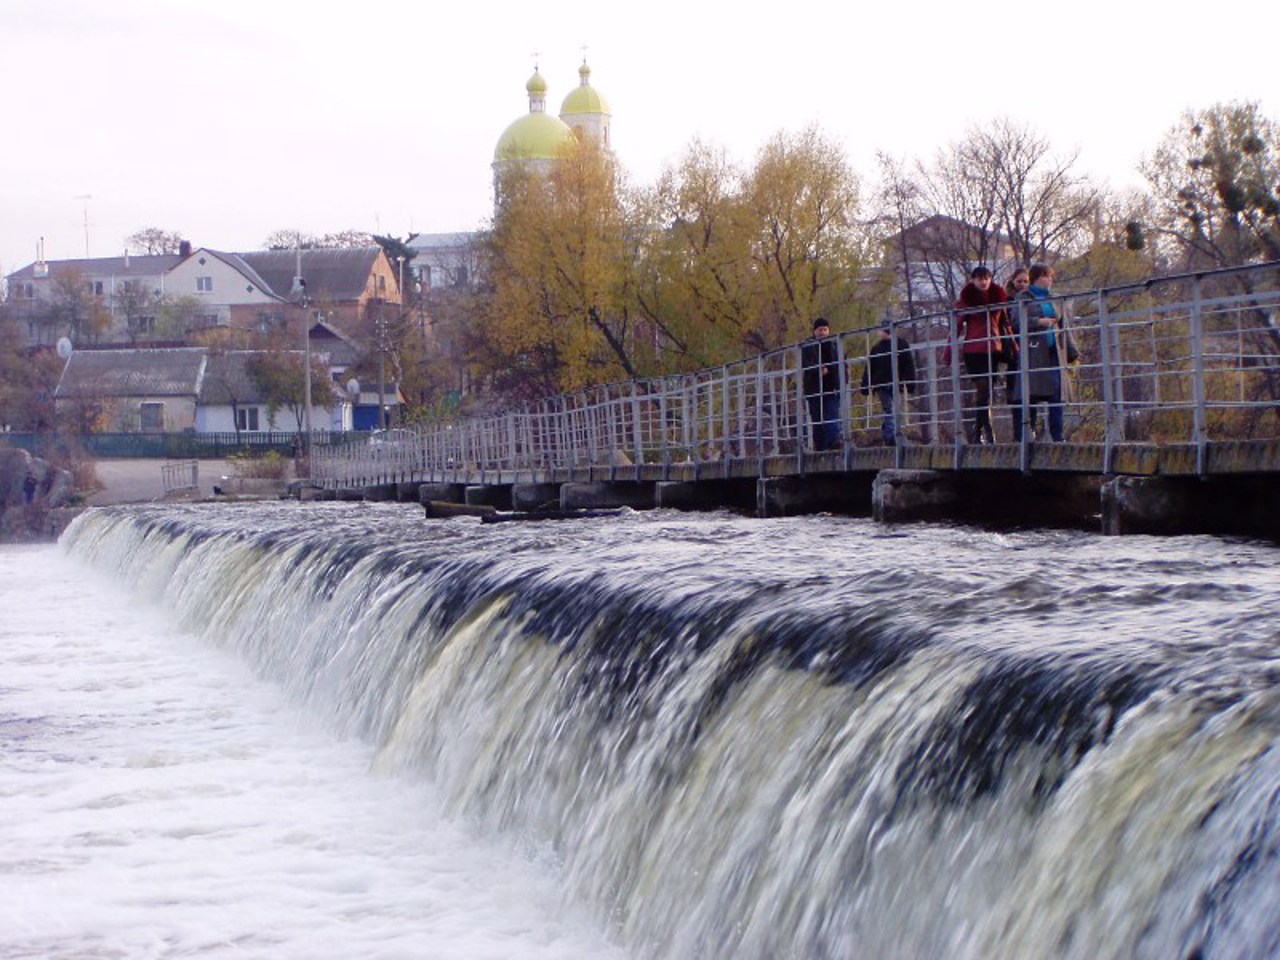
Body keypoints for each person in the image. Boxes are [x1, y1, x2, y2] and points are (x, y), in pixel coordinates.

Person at [1009, 263, 1074, 442]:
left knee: (1057, 392)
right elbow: (1016, 322)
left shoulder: (1054, 299)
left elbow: (1063, 325)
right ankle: (1026, 435)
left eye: (1050, 276)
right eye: (1046, 276)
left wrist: (1071, 350)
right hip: (1034, 353)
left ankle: (1057, 435)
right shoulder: (1024, 297)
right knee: (1031, 392)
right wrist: (1039, 321)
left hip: (1054, 351)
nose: (1050, 280)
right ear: (1037, 277)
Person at [949, 266, 1009, 444]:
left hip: (993, 350)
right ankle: (988, 432)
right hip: (974, 351)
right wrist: (948, 352)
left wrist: (1014, 346)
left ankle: (978, 432)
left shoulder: (999, 298)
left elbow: (1006, 325)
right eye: (979, 278)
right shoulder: (966, 300)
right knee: (983, 389)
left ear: (991, 279)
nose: (983, 282)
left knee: (986, 393)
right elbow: (956, 327)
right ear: (973, 280)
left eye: (986, 278)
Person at [859, 320, 918, 445]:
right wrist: (865, 385)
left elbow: (908, 364)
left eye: (880, 330)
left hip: (894, 383)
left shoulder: (897, 345)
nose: (879, 333)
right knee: (891, 409)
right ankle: (891, 436)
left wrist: (910, 382)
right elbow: (870, 368)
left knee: (891, 409)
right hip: (883, 385)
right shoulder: (882, 347)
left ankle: (889, 434)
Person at [801, 317, 841, 450]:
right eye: (820, 330)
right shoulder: (808, 346)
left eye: (825, 329)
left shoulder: (834, 344)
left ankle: (833, 442)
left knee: (832, 414)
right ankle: (820, 447)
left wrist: (842, 380)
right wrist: (817, 369)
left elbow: (841, 363)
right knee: (817, 419)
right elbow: (805, 364)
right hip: (814, 387)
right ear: (814, 331)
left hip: (831, 386)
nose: (823, 332)